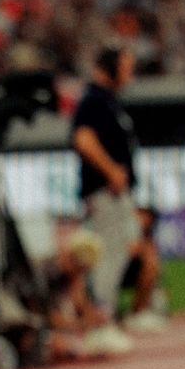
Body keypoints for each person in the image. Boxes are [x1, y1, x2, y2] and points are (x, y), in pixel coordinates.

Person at [71, 48, 142, 317]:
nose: (129, 74)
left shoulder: (110, 101)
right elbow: (84, 140)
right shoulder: (94, 100)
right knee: (107, 254)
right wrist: (111, 170)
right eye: (125, 67)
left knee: (122, 249)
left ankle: (104, 312)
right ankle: (101, 315)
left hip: (115, 194)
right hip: (104, 192)